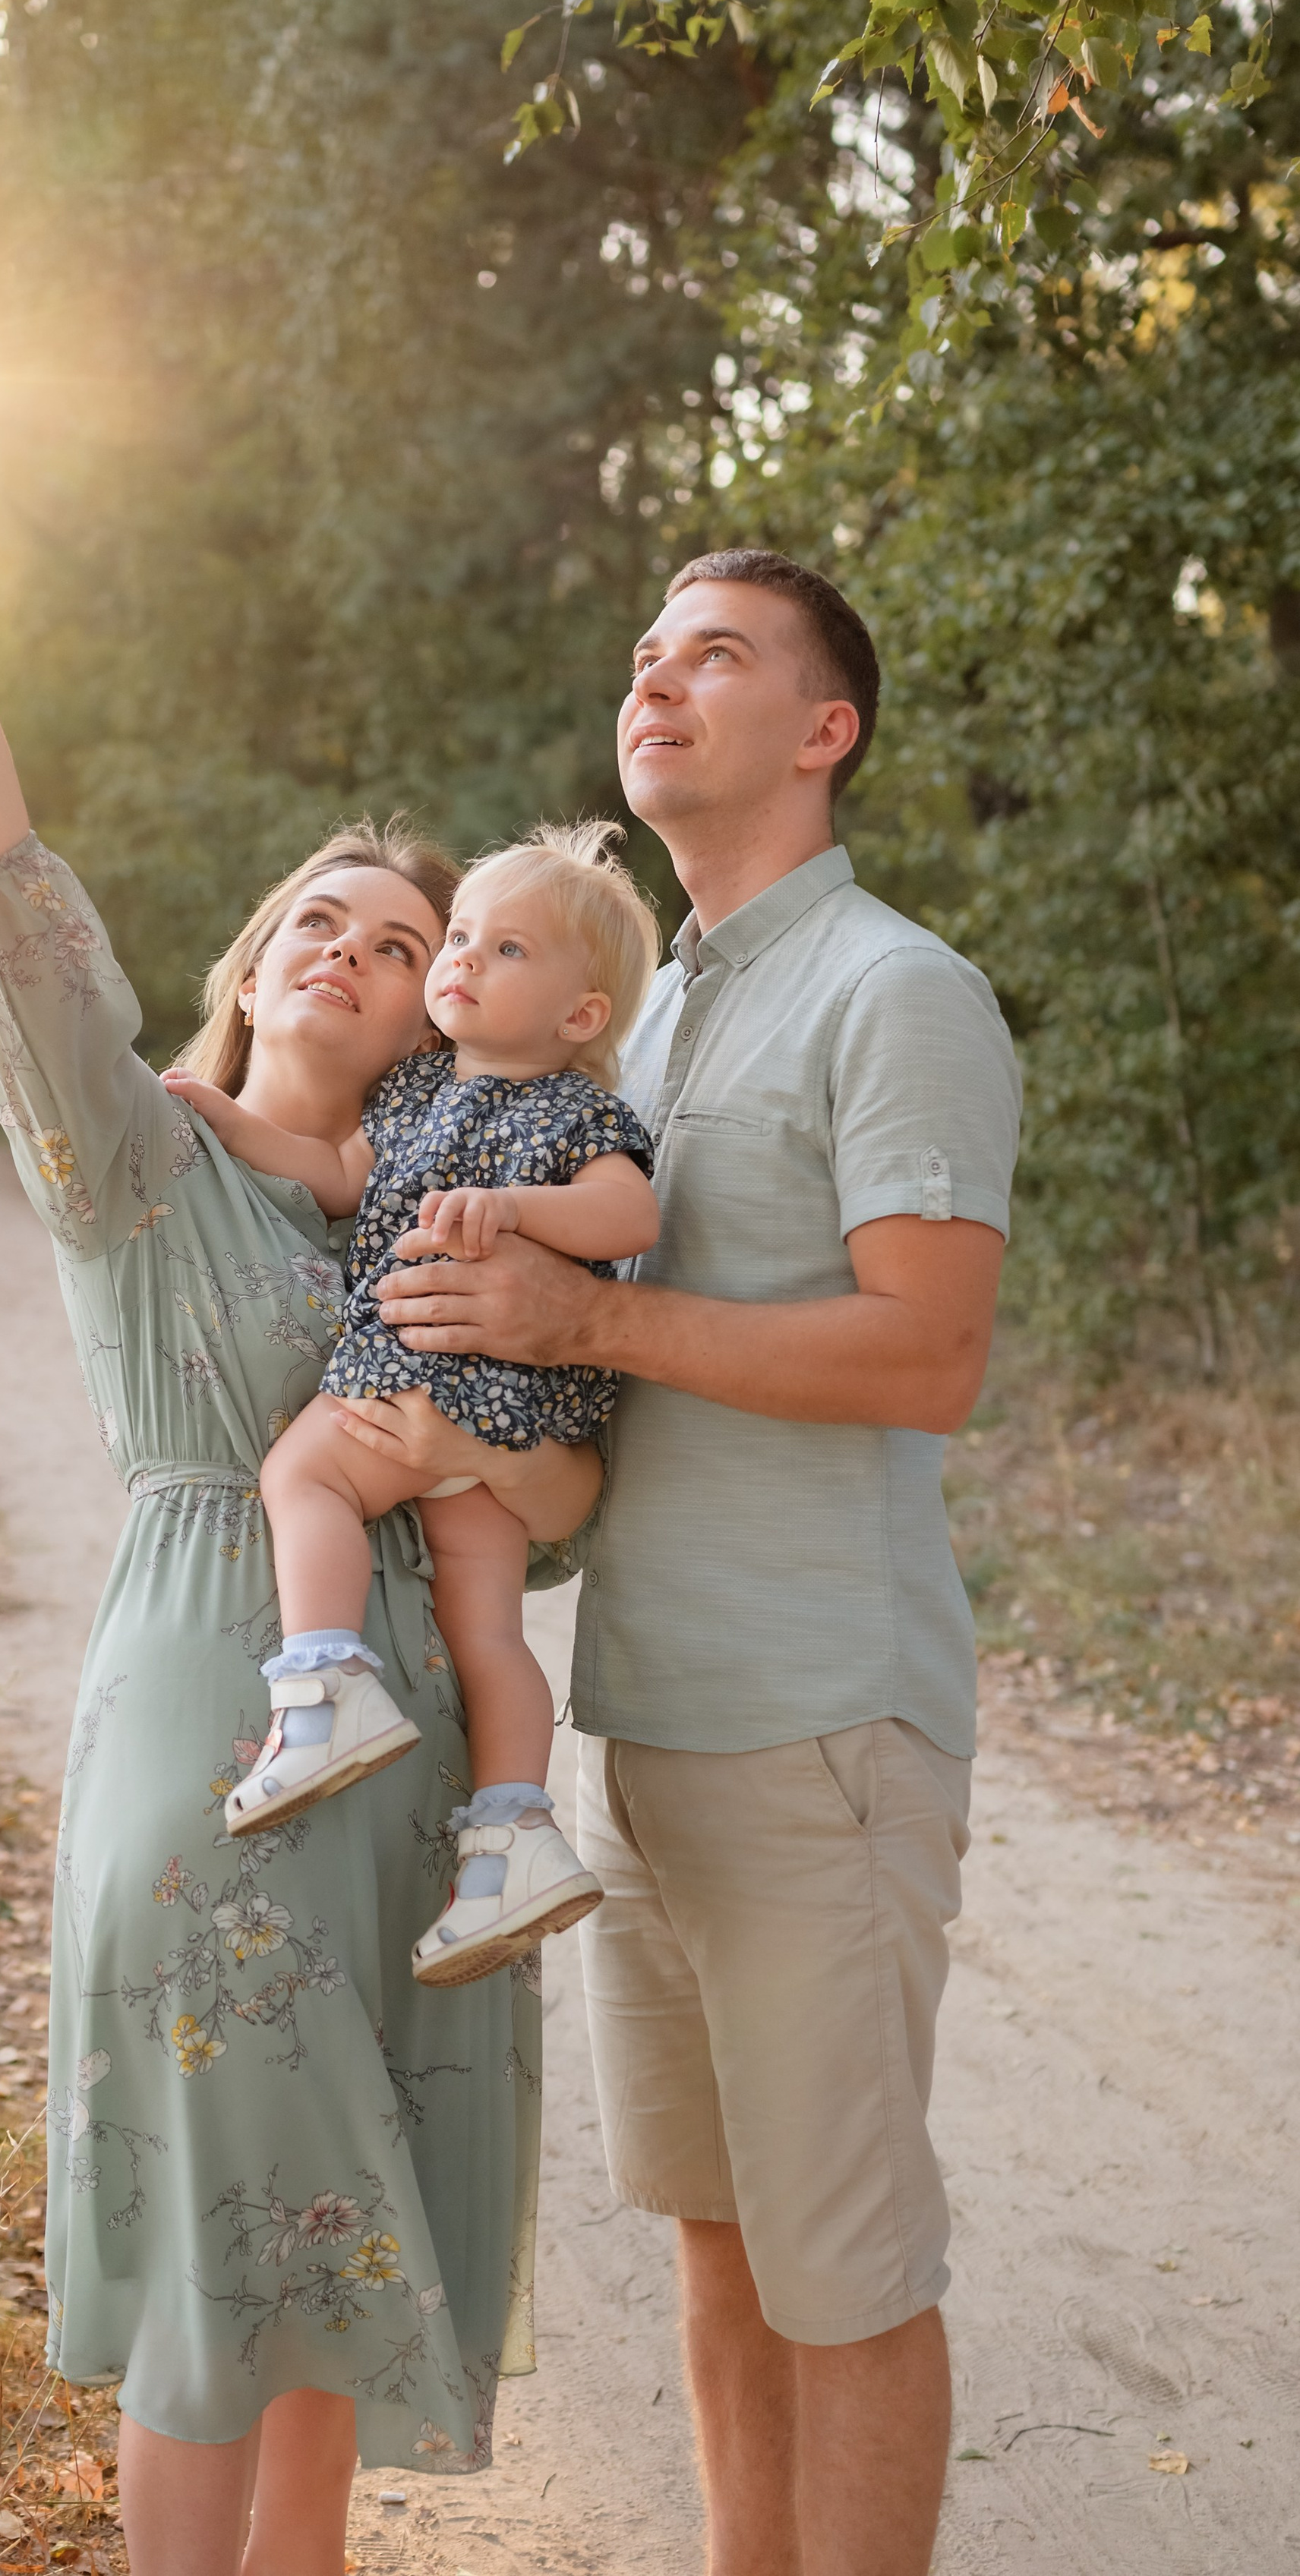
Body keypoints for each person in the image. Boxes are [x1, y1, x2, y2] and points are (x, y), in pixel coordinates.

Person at [0, 424, 544, 2576]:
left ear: (436, 1009)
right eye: (315, 916)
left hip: (426, 1767)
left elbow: (566, 1495)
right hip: (208, 1727)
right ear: (250, 966)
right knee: (207, 2275)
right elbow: (7, 906)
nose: (350, 945)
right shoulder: (133, 1161)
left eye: (400, 938)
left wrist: (471, 1446)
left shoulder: (453, 1214)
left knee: (338, 2256)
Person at [351, 548, 1022, 2576]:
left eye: (713, 654)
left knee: (846, 2274)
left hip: (820, 1728)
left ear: (823, 730)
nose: (655, 679)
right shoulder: (635, 1032)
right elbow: (584, 1401)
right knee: (720, 2247)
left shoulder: (895, 990)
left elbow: (928, 1355)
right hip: (637, 1731)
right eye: (644, 652)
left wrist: (595, 1320)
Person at [166, 824, 658, 1985]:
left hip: (444, 1373)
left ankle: (325, 1682)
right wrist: (226, 1119)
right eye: (461, 939)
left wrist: (517, 1211)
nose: (464, 959)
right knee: (484, 1630)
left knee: (303, 1476)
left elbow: (629, 1216)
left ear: (581, 1015)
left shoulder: (575, 1113)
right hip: (493, 1425)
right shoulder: (417, 1091)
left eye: (504, 950)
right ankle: (512, 1837)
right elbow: (337, 1174)